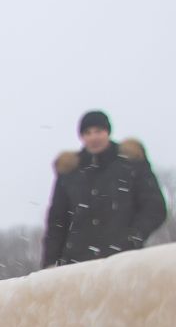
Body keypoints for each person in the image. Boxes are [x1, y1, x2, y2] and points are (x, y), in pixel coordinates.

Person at [42, 111, 167, 268]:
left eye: (98, 131)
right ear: (81, 136)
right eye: (87, 133)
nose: (93, 137)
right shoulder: (70, 172)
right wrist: (50, 263)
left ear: (107, 132)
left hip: (125, 260)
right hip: (77, 265)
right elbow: (57, 221)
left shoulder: (130, 164)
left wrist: (132, 237)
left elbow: (155, 208)